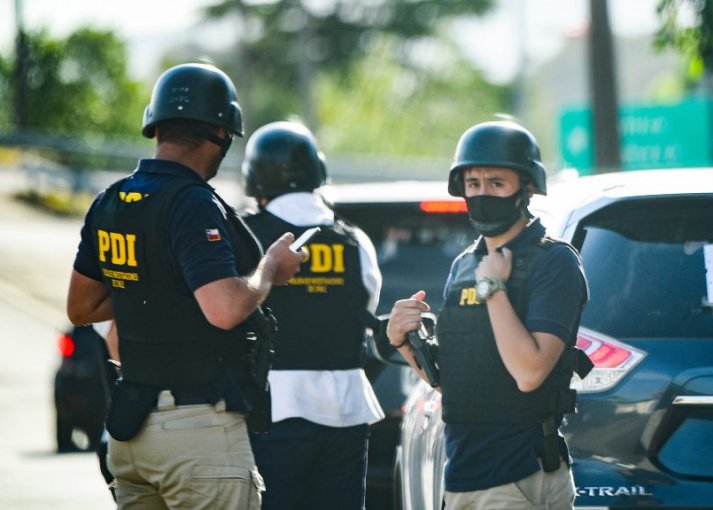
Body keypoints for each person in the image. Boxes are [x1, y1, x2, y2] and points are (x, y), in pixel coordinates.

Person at [66, 62, 306, 509]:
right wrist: (271, 267)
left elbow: (80, 308)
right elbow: (224, 309)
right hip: (197, 434)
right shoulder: (193, 203)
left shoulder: (112, 201)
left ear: (156, 128)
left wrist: (149, 293)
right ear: (218, 136)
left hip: (131, 435)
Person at [387, 120, 589, 510]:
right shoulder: (466, 264)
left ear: (527, 187)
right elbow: (458, 385)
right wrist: (404, 341)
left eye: (497, 183)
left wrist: (494, 291)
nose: (482, 194)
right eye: (473, 184)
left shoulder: (555, 263)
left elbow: (530, 373)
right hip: (461, 476)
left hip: (519, 478)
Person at [241, 121, 385, 510]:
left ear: (255, 180)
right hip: (347, 411)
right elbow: (365, 309)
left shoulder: (244, 233)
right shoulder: (354, 240)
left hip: (272, 410)